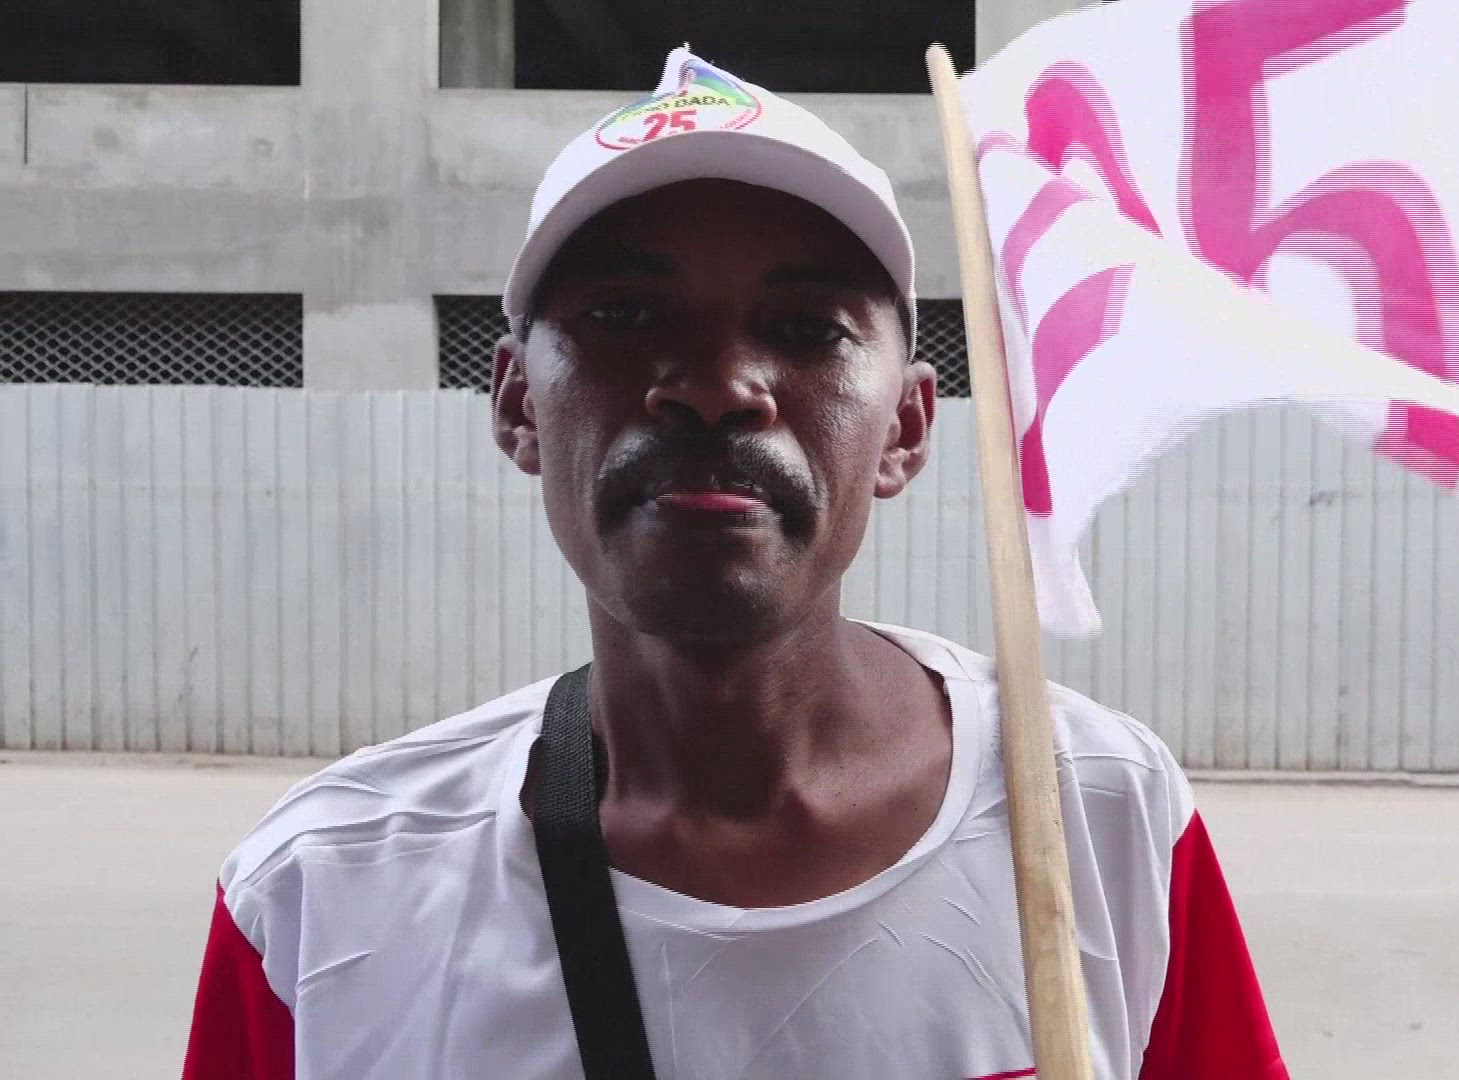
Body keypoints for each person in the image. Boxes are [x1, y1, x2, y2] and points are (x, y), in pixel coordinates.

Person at [181, 48, 1286, 1080]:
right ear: (518, 403)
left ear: (905, 428)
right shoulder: (320, 897)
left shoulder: (1098, 814)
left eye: (808, 329)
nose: (716, 387)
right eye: (625, 314)